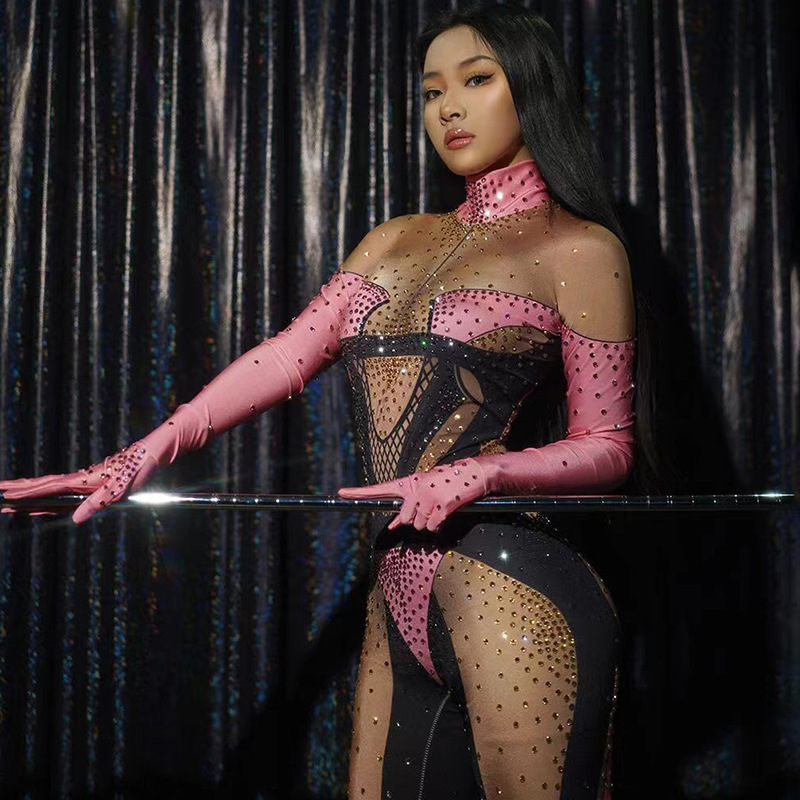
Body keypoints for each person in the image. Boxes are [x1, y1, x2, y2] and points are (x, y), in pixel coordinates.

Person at [1, 3, 643, 798]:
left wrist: (484, 473)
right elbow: (283, 357)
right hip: (394, 593)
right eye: (431, 90)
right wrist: (139, 456)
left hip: (512, 584)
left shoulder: (579, 249)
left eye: (476, 80)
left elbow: (609, 445)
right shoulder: (395, 239)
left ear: (532, 88)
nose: (448, 107)